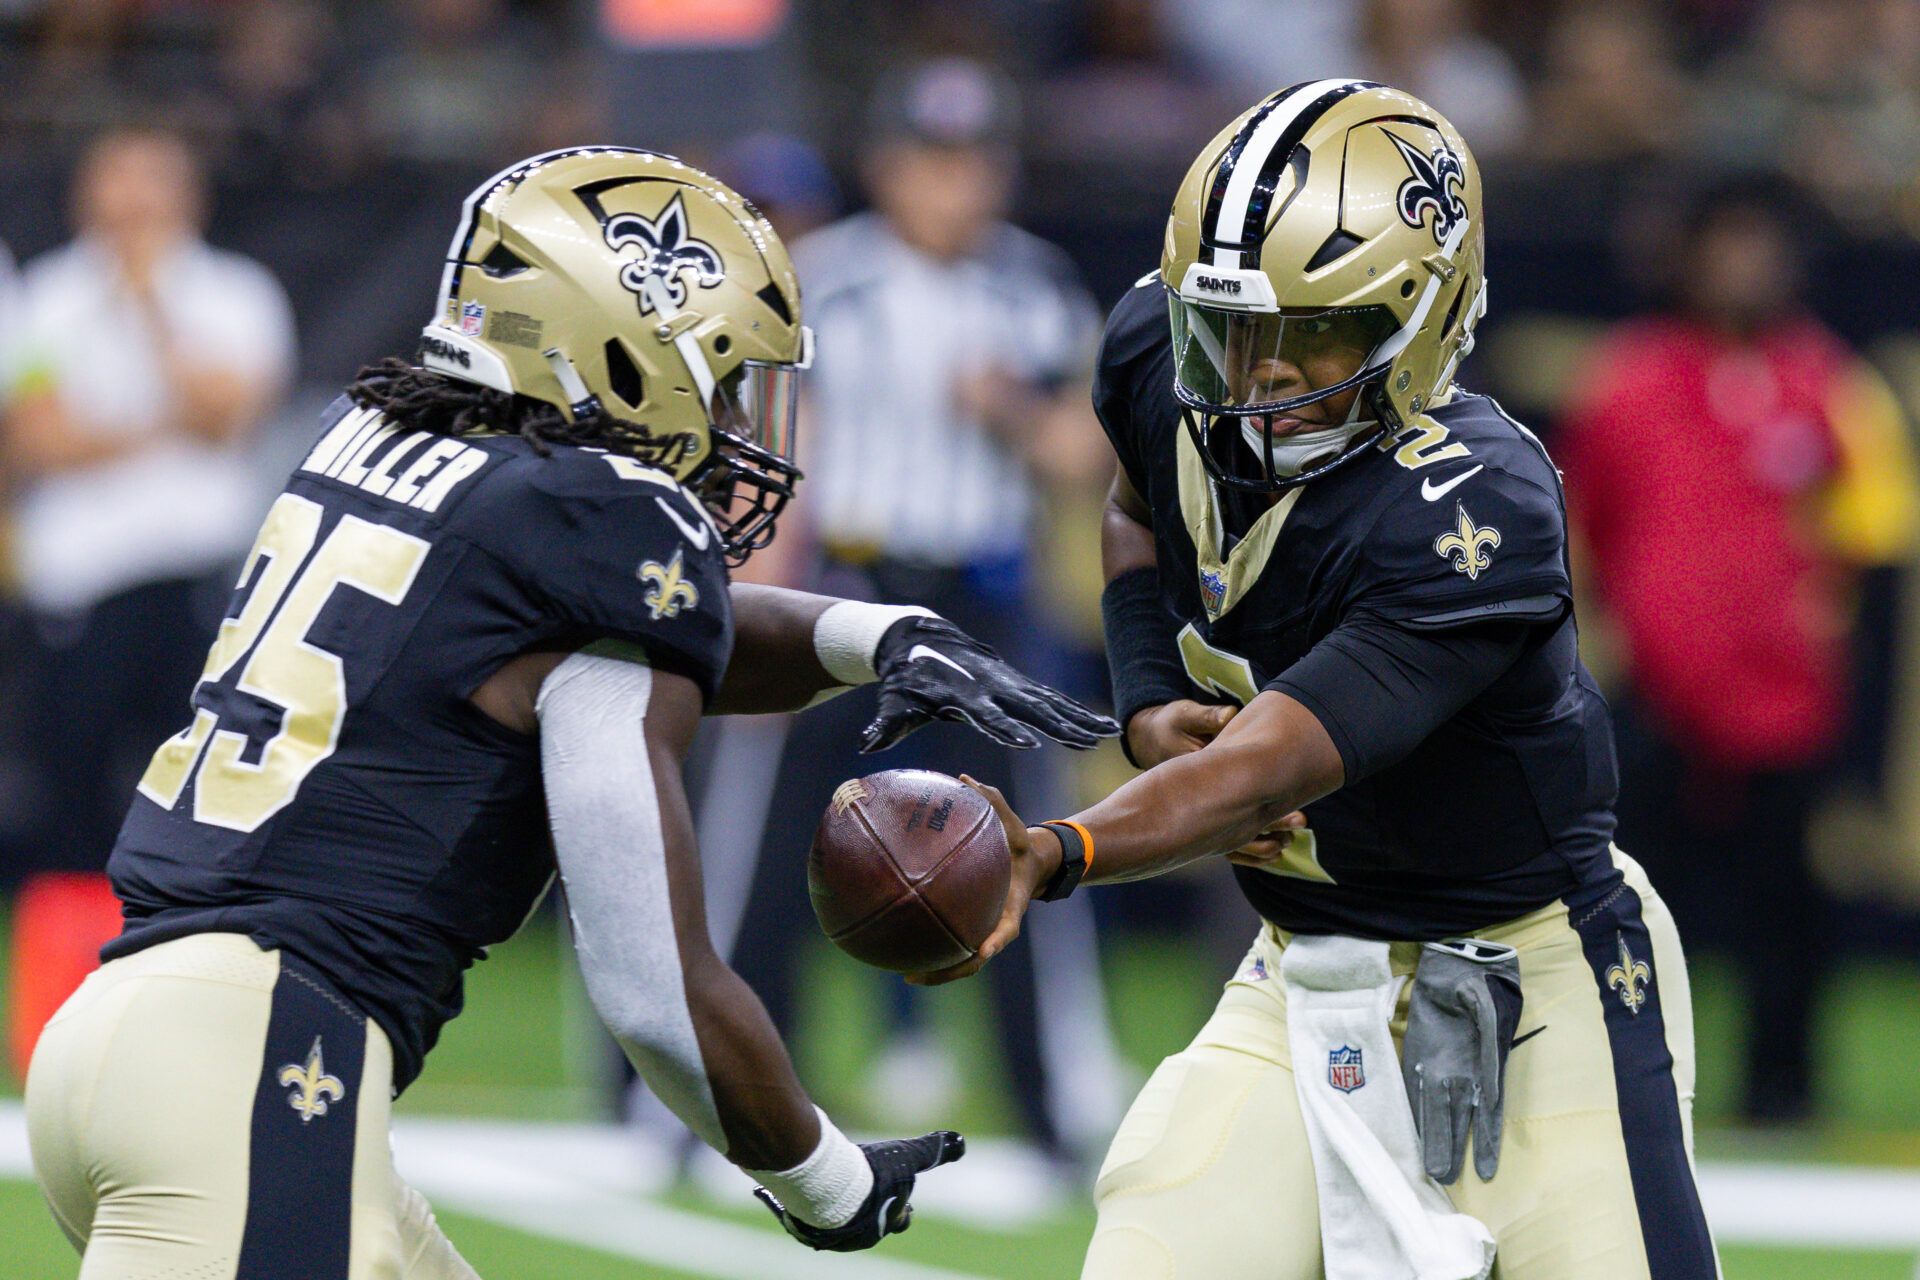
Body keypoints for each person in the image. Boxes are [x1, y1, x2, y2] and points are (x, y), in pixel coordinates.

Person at [24, 147, 1116, 1274]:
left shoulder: (396, 440)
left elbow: (624, 641)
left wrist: (877, 636)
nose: (738, 419)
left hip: (142, 1037)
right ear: (623, 346)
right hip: (252, 1065)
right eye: (724, 374)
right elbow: (653, 983)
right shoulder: (600, 519)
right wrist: (825, 1175)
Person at [919, 82, 1722, 1278]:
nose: (1253, 377)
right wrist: (1144, 690)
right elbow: (1136, 504)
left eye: (1313, 336)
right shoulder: (1158, 344)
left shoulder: (1477, 505)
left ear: (1425, 319)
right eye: (1232, 331)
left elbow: (1262, 767)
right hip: (1307, 968)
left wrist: (1056, 849)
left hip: (1535, 975)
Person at [719, 56, 1128, 1165]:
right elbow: (770, 448)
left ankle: (1050, 1109)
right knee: (772, 853)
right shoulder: (825, 279)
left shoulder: (1034, 284)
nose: (957, 186)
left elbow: (1083, 452)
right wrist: (759, 586)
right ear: (889, 168)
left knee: (1025, 848)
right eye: (934, 161)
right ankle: (737, 1099)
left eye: (974, 161)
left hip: (982, 597)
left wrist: (1011, 410)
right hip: (851, 587)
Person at [1559, 176, 1919, 1122]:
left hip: (1788, 708)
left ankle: (1782, 1096)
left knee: (1790, 916)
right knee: (1626, 910)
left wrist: (1858, 737)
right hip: (1654, 705)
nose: (1741, 265)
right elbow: (1574, 538)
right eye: (1724, 244)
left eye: (1760, 246)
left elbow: (1874, 549)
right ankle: (1622, 1089)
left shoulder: (1834, 385)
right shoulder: (1625, 382)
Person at [2, 127, 296, 1082]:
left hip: (198, 578)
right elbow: (44, 443)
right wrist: (165, 422)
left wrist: (154, 313)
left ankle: (189, 1014)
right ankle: (59, 1018)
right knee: (72, 803)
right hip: (82, 583)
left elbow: (226, 414)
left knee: (205, 806)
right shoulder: (44, 296)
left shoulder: (233, 293)